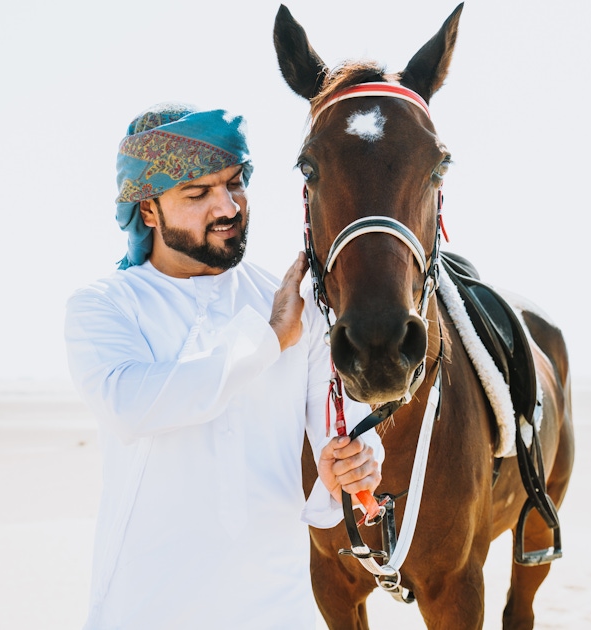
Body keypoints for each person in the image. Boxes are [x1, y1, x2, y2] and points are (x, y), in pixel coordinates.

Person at [65, 103, 383, 629]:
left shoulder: (290, 302)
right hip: (148, 607)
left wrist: (353, 462)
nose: (228, 206)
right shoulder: (106, 304)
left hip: (277, 607)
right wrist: (266, 341)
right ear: (148, 210)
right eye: (198, 193)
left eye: (235, 184)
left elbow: (344, 421)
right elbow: (131, 407)